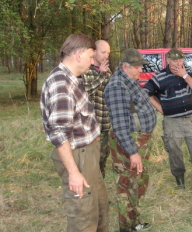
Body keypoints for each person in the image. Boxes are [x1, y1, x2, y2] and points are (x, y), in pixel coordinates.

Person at [40, 33, 109, 231]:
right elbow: (59, 133)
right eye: (90, 56)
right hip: (78, 155)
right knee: (83, 215)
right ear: (78, 54)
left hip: (88, 153)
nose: (92, 61)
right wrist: (73, 172)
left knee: (99, 207)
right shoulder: (61, 83)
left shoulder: (73, 79)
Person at [104, 48, 157, 232]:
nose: (140, 70)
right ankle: (126, 227)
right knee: (127, 187)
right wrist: (133, 152)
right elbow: (119, 125)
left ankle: (135, 222)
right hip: (128, 145)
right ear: (124, 67)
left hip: (138, 141)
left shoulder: (130, 81)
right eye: (136, 67)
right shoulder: (117, 86)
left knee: (138, 184)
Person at [143, 48, 192, 189]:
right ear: (168, 60)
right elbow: (145, 92)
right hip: (172, 121)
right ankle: (180, 180)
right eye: (174, 60)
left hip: (191, 119)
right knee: (174, 151)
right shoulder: (159, 77)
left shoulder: (188, 71)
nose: (178, 63)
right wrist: (159, 107)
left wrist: (185, 75)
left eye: (180, 60)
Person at [82, 40, 112, 178]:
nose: (106, 56)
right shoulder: (85, 70)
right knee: (90, 163)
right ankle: (90, 194)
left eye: (108, 53)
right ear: (94, 52)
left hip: (106, 125)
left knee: (102, 162)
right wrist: (101, 75)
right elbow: (85, 92)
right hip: (91, 127)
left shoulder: (107, 70)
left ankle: (100, 195)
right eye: (103, 52)